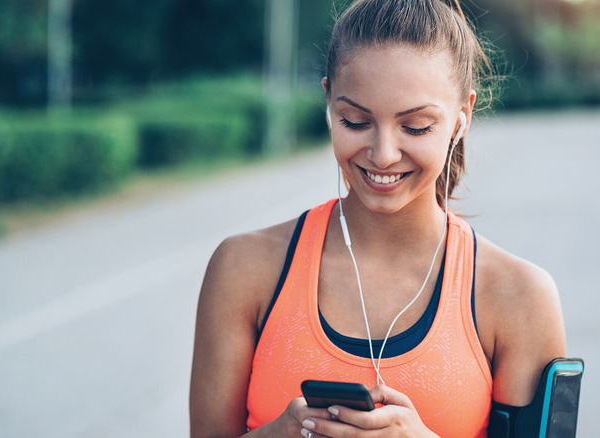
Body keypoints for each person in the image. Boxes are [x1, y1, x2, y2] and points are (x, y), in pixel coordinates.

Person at [189, 0, 566, 436]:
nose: (383, 154)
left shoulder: (519, 298)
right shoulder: (244, 270)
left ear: (462, 118)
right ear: (329, 102)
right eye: (355, 121)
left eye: (416, 127)